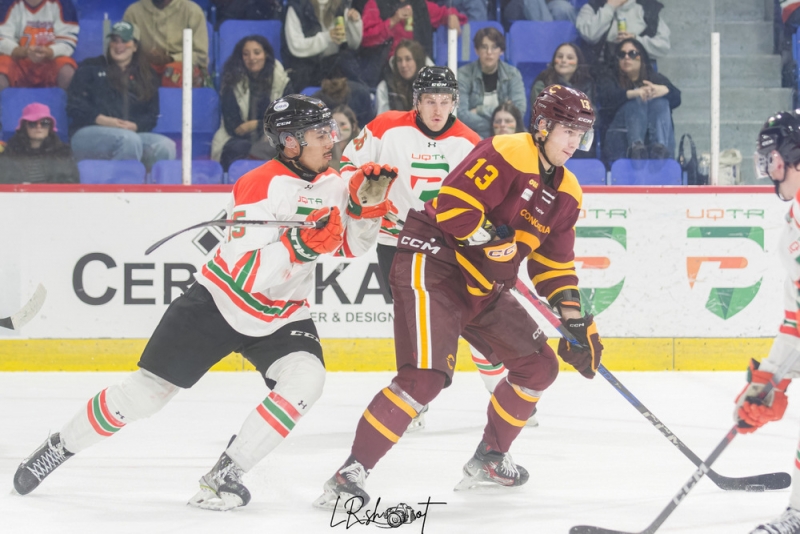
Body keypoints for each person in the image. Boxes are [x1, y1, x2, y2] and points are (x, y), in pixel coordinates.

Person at [12, 94, 397, 512]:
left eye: (331, 130)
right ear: (290, 142)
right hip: (218, 303)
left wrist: (368, 210)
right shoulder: (259, 186)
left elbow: (352, 247)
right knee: (144, 396)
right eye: (319, 133)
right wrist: (299, 247)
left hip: (282, 314)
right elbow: (244, 274)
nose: (331, 140)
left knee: (307, 380)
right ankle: (60, 445)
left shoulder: (334, 183)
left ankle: (226, 474)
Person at [315, 84, 604, 509]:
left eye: (581, 133)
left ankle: (490, 458)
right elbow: (452, 204)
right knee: (425, 377)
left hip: (482, 284)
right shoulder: (508, 150)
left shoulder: (568, 192)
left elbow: (554, 264)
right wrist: (489, 239)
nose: (575, 142)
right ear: (542, 126)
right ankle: (349, 473)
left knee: (539, 366)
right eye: (568, 131)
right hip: (434, 263)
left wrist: (574, 318)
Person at [738, 109, 800, 533]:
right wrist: (770, 382)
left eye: (772, 161)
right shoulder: (791, 234)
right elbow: (796, 322)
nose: (770, 173)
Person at [67, 21, 175, 170]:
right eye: (115, 40)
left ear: (135, 46)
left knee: (165, 146)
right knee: (128, 140)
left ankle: (148, 183)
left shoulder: (146, 74)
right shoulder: (90, 66)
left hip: (130, 133)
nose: (119, 46)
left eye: (125, 41)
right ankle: (118, 183)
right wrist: (104, 120)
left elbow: (151, 115)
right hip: (87, 133)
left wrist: (136, 125)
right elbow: (74, 106)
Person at [211, 35, 291, 171]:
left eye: (257, 53)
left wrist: (255, 125)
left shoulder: (281, 81)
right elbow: (234, 127)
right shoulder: (232, 81)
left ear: (266, 54)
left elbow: (286, 119)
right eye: (246, 54)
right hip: (234, 138)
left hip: (271, 138)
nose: (252, 58)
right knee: (240, 148)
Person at [596, 38, 680, 162]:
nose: (627, 57)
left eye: (632, 54)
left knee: (661, 102)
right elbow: (606, 99)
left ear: (642, 57)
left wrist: (665, 90)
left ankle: (659, 148)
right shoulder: (609, 78)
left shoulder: (654, 78)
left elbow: (677, 99)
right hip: (620, 142)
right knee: (634, 103)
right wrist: (633, 93)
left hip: (652, 145)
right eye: (622, 54)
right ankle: (636, 149)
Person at [359, 0, 467, 87]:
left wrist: (452, 16)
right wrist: (393, 20)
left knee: (436, 82)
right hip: (390, 64)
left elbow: (445, 13)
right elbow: (365, 38)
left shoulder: (421, 5)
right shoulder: (375, 3)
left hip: (419, 61)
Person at [457, 26, 526, 139]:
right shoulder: (463, 74)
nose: (489, 52)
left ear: (501, 51)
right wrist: (495, 125)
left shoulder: (512, 74)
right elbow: (461, 114)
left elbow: (518, 111)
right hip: (474, 133)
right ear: (477, 50)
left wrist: (480, 110)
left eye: (494, 47)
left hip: (507, 134)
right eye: (484, 47)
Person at [281, 0, 363, 93]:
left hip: (334, 66)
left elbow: (354, 45)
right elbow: (296, 46)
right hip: (306, 70)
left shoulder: (341, 5)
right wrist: (326, 37)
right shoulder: (297, 6)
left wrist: (354, 24)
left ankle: (362, 92)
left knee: (346, 61)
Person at [123, 0, 209, 87]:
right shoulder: (133, 12)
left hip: (179, 67)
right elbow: (125, 48)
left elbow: (201, 55)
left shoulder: (192, 11)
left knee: (174, 75)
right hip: (146, 66)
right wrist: (144, 57)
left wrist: (171, 58)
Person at [532, 43, 596, 156]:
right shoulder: (542, 83)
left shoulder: (587, 83)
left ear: (578, 62)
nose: (564, 60)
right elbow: (540, 115)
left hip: (579, 138)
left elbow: (594, 116)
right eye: (560, 56)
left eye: (569, 57)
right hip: (548, 136)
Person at [0, 0, 78, 91]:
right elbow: (2, 39)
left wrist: (49, 52)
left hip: (50, 61)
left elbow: (67, 41)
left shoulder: (64, 4)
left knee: (67, 71)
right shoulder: (7, 3)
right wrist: (23, 51)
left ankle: (70, 100)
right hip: (18, 61)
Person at [0, 102, 78, 184]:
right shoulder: (10, 153)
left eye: (44, 123)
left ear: (50, 127)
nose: (39, 127)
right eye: (32, 123)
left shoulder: (63, 154)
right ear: (24, 127)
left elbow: (71, 184)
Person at [575, 0, 669, 65]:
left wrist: (635, 40)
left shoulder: (648, 9)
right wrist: (609, 7)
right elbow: (590, 35)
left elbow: (663, 46)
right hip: (602, 69)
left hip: (637, 71)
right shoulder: (591, 7)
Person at [375, 39, 426, 114]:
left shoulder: (430, 86)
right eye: (399, 60)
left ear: (417, 61)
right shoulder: (385, 87)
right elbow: (382, 118)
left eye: (408, 59)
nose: (403, 65)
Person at [502, 0, 576, 26]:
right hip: (516, 6)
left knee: (564, 8)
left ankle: (569, 48)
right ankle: (549, 43)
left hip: (546, 4)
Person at [331, 104, 358, 169]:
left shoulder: (362, 147)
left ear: (353, 126)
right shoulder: (325, 148)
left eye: (342, 124)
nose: (337, 129)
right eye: (334, 125)